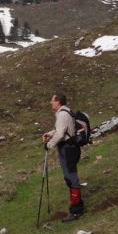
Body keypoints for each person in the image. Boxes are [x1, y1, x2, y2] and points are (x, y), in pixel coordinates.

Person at [42, 92, 84, 222]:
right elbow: (62, 130)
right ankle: (79, 206)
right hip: (72, 148)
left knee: (72, 180)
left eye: (52, 100)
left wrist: (49, 145)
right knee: (71, 178)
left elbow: (60, 134)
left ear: (58, 102)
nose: (51, 102)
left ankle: (76, 211)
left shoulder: (61, 114)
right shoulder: (67, 111)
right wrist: (49, 134)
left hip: (67, 150)